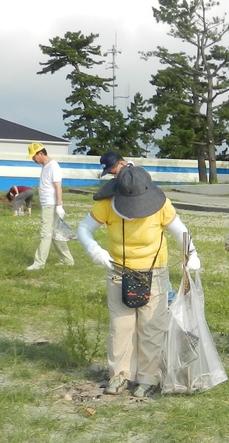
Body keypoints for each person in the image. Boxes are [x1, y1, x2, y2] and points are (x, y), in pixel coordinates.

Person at [76, 165, 201, 398]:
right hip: (118, 272)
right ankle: (119, 375)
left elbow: (180, 231)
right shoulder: (106, 205)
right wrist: (94, 250)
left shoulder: (162, 205)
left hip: (155, 272)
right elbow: (84, 228)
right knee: (121, 326)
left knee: (151, 325)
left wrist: (192, 254)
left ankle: (148, 378)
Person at [26, 143, 74, 270]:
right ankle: (68, 260)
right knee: (56, 233)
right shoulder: (45, 166)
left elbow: (58, 186)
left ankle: (39, 263)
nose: (33, 159)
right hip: (47, 204)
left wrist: (59, 205)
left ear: (41, 153)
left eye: (34, 156)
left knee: (45, 233)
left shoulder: (53, 166)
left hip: (51, 205)